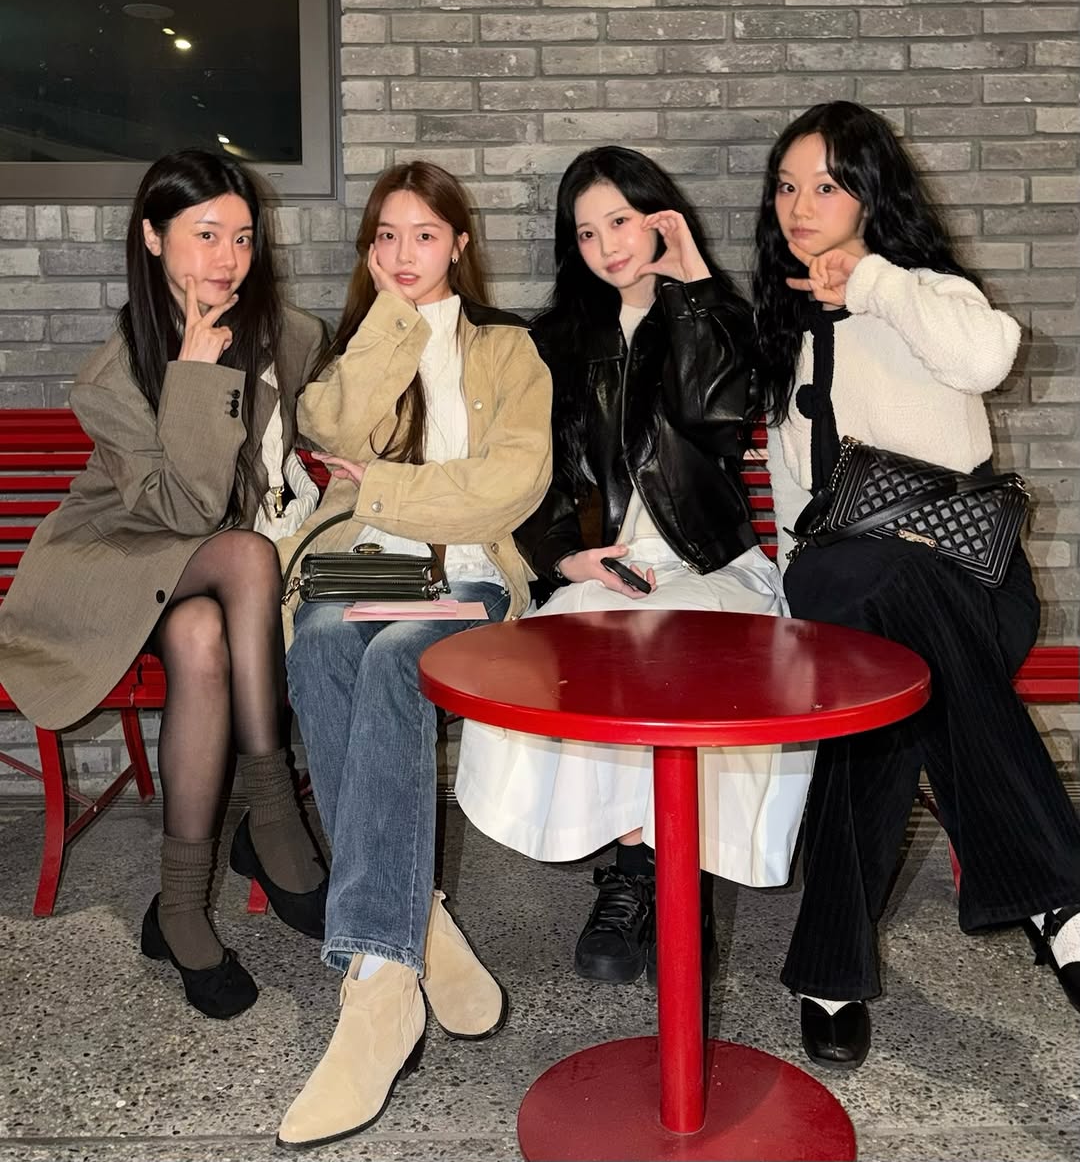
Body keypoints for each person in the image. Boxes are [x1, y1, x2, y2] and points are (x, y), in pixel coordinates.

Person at [750, 99, 1080, 1069]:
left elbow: (987, 356)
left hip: (974, 585)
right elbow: (797, 501)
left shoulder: (926, 292)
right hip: (840, 581)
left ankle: (832, 965)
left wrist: (874, 279)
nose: (801, 206)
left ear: (869, 193)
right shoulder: (780, 327)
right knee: (867, 584)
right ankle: (1059, 894)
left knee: (888, 695)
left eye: (826, 185)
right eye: (787, 185)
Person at [455, 146, 815, 987]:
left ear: (660, 216)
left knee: (699, 649)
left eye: (620, 220)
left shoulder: (719, 314)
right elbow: (530, 469)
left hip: (710, 561)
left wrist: (689, 289)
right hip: (606, 566)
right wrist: (563, 553)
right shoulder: (553, 342)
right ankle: (638, 869)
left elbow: (715, 411)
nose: (607, 245)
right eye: (586, 232)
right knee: (577, 644)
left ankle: (672, 874)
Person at [0, 150, 328, 1019]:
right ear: (152, 238)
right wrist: (195, 372)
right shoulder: (111, 378)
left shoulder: (291, 337)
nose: (228, 258)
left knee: (200, 633)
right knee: (242, 558)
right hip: (118, 564)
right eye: (205, 235)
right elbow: (187, 510)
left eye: (244, 237)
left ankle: (178, 907)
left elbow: (316, 439)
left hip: (212, 586)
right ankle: (272, 814)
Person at [275, 160, 552, 1149]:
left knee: (398, 658)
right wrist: (395, 323)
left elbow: (513, 482)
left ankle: (379, 987)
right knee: (316, 639)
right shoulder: (363, 343)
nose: (403, 253)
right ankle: (414, 923)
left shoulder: (509, 349)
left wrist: (386, 484)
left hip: (469, 577)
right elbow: (327, 424)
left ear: (458, 244)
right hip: (370, 568)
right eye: (385, 236)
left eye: (424, 235)